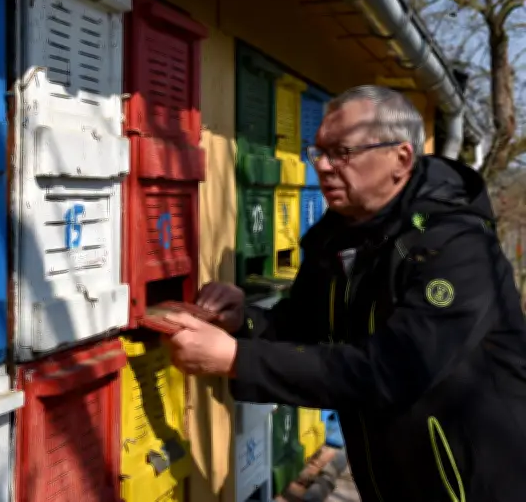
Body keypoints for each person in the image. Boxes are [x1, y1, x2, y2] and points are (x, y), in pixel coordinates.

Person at [162, 85, 526, 502]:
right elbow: (302, 329)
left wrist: (235, 359)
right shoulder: (336, 238)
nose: (323, 166)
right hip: (390, 479)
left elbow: (392, 368)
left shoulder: (457, 245)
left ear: (401, 158)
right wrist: (240, 321)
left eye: (343, 152)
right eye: (317, 151)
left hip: (475, 483)